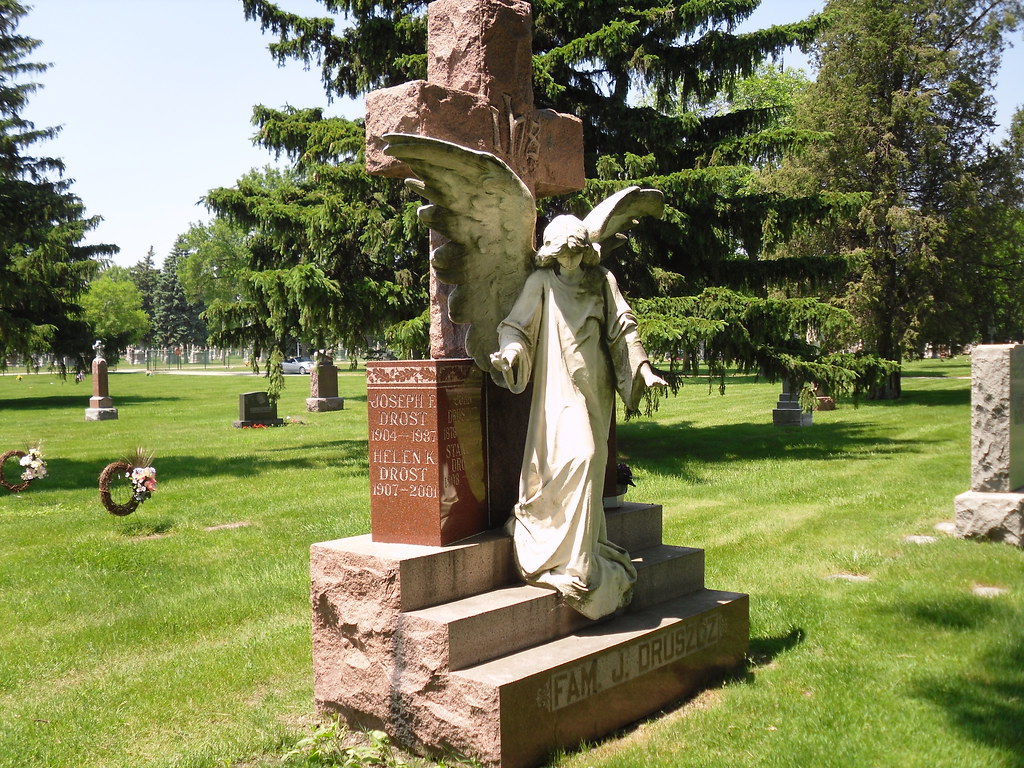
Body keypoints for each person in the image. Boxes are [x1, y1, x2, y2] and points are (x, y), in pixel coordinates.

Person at [490, 215, 667, 620]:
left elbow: (624, 326)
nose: (568, 261)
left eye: (575, 252)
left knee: (593, 466)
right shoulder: (542, 283)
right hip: (558, 385)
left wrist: (641, 368)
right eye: (562, 253)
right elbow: (515, 327)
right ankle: (574, 564)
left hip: (597, 385)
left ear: (584, 250)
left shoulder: (601, 280)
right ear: (550, 252)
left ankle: (582, 550)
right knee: (582, 456)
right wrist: (511, 353)